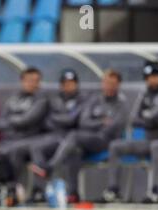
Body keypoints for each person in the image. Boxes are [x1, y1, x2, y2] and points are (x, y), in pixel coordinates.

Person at [31, 70, 128, 198]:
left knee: (74, 135)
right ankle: (73, 193)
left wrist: (96, 123)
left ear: (118, 85)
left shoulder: (121, 103)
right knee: (74, 151)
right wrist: (101, 122)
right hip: (87, 139)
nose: (109, 86)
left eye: (112, 83)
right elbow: (83, 122)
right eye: (106, 82)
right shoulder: (95, 99)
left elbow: (113, 127)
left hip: (105, 141)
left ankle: (51, 167)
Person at [0, 67, 48, 204]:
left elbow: (28, 120)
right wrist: (16, 121)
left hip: (32, 140)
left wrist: (12, 120)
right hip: (10, 140)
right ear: (22, 81)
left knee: (14, 151)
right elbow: (1, 123)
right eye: (29, 80)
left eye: (35, 81)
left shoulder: (42, 100)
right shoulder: (13, 99)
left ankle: (19, 189)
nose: (32, 83)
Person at [103, 61, 158, 203]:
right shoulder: (144, 95)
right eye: (149, 77)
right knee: (115, 146)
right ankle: (113, 190)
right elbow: (134, 119)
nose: (152, 80)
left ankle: (156, 191)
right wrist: (152, 120)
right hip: (149, 139)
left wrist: (148, 117)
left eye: (155, 76)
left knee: (156, 147)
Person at [28, 69, 88, 203]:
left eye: (72, 83)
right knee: (36, 147)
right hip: (56, 136)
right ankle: (39, 189)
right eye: (66, 83)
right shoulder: (54, 99)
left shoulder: (83, 99)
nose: (69, 86)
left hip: (74, 138)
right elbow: (47, 120)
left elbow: (74, 120)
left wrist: (60, 118)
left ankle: (72, 192)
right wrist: (64, 118)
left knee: (74, 152)